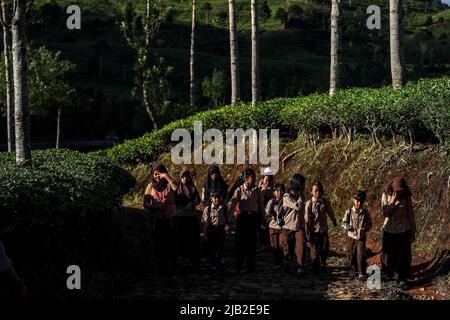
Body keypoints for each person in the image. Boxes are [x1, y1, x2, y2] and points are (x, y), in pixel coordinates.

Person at [381, 177, 416, 290]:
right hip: (389, 229)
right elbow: (386, 213)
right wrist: (392, 201)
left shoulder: (406, 196)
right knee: (388, 255)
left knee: (403, 255)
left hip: (403, 229)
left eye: (401, 190)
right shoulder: (386, 194)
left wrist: (413, 231)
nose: (399, 192)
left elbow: (410, 213)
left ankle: (402, 279)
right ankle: (388, 275)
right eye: (397, 190)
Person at [144, 163, 178, 277]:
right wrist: (156, 207)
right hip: (157, 220)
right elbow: (145, 203)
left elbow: (176, 188)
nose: (157, 176)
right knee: (159, 245)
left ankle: (172, 267)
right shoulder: (150, 186)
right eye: (155, 174)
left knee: (171, 244)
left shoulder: (169, 184)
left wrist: (166, 176)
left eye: (159, 174)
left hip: (170, 219)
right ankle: (161, 268)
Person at [229, 167, 264, 273]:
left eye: (254, 177)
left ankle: (250, 267)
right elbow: (233, 204)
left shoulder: (257, 190)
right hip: (242, 218)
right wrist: (230, 219)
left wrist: (263, 219)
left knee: (252, 243)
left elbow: (261, 206)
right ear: (246, 178)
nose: (254, 179)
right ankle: (239, 265)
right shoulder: (239, 190)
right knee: (240, 243)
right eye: (252, 177)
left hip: (253, 218)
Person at [305, 180, 337, 274]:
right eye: (315, 191)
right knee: (314, 251)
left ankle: (323, 265)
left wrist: (334, 221)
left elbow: (330, 211)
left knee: (324, 249)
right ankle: (315, 268)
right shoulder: (309, 204)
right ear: (312, 192)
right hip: (313, 231)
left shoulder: (324, 201)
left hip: (323, 230)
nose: (318, 193)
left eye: (319, 191)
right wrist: (307, 234)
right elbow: (307, 220)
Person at [279, 174, 307, 278]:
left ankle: (300, 267)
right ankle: (286, 262)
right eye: (303, 184)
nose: (304, 186)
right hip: (288, 225)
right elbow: (297, 206)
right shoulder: (286, 196)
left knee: (301, 245)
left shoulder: (301, 196)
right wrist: (300, 197)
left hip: (299, 225)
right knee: (287, 247)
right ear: (298, 184)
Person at [342, 190, 372, 280]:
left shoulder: (365, 212)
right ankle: (352, 270)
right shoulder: (349, 211)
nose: (358, 203)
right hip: (351, 236)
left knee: (361, 255)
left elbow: (370, 223)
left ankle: (361, 272)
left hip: (361, 237)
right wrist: (347, 227)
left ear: (363, 201)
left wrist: (365, 230)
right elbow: (343, 222)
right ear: (353, 200)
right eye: (357, 201)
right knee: (351, 254)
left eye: (361, 201)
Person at [201, 189, 230, 273]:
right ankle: (212, 264)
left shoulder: (223, 207)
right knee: (212, 247)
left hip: (220, 229)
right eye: (214, 197)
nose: (216, 199)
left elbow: (226, 218)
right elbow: (205, 222)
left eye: (218, 197)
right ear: (211, 199)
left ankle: (221, 263)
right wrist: (204, 233)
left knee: (220, 246)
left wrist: (227, 225)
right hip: (211, 229)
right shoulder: (208, 209)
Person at [175, 169, 201, 262]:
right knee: (182, 235)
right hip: (180, 216)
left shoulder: (193, 187)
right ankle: (182, 254)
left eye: (187, 176)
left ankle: (193, 254)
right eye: (183, 177)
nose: (185, 179)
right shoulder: (177, 189)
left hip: (191, 215)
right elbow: (173, 201)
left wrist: (192, 203)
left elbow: (199, 200)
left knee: (193, 235)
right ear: (180, 178)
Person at [265, 183, 285, 272]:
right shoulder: (271, 202)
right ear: (274, 192)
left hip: (282, 227)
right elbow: (267, 213)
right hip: (272, 226)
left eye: (281, 190)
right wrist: (270, 216)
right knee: (275, 246)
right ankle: (277, 263)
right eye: (277, 191)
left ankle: (281, 263)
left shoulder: (286, 202)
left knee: (281, 245)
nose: (279, 192)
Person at [258, 168, 275, 251]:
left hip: (271, 213)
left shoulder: (274, 190)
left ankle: (269, 244)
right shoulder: (259, 189)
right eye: (266, 180)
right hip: (261, 212)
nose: (267, 183)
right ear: (262, 180)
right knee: (262, 228)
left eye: (269, 180)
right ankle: (263, 244)